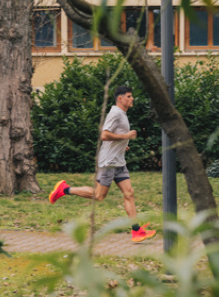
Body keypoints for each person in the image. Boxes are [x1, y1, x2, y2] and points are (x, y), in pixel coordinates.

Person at [49, 85, 156, 243]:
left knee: (129, 193)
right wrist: (125, 135)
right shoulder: (115, 113)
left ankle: (136, 231)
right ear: (120, 98)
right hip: (109, 162)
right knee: (99, 196)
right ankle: (64, 189)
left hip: (118, 161)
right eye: (128, 96)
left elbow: (114, 136)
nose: (132, 98)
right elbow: (104, 135)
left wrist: (122, 144)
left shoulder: (122, 114)